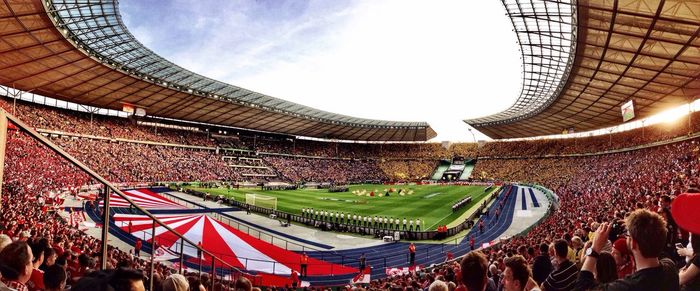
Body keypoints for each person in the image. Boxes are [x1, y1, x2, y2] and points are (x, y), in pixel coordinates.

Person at [575, 209, 680, 291]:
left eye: (628, 235)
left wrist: (594, 248)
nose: (626, 237)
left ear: (634, 243)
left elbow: (582, 287)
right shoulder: (670, 266)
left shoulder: (626, 287)